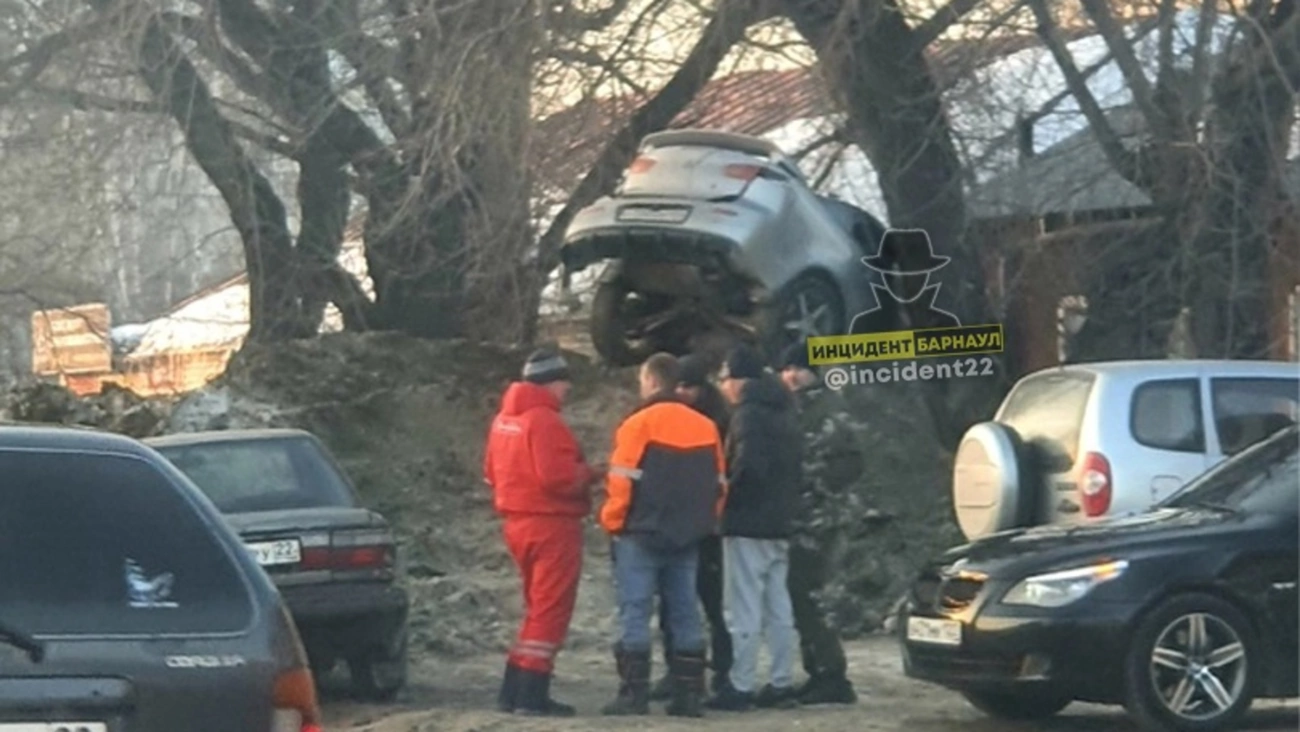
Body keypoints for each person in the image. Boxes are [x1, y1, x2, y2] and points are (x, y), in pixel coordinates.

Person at [600, 352, 727, 718]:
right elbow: (718, 486)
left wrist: (613, 523)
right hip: (687, 539)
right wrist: (701, 525)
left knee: (635, 612)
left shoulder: (637, 424)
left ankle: (633, 695)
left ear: (653, 382)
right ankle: (689, 695)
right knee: (686, 612)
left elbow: (621, 482)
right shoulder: (706, 427)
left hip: (639, 535)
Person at [484, 348, 604, 716]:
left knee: (536, 609)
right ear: (552, 382)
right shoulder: (546, 422)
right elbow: (558, 479)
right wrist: (593, 473)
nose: (567, 389)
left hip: (516, 523)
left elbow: (489, 471)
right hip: (552, 524)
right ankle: (532, 695)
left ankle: (514, 688)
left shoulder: (504, 419)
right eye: (564, 381)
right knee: (550, 611)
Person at [708, 344, 803, 712]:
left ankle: (740, 683)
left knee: (742, 608)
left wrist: (726, 498)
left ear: (737, 379)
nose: (724, 387)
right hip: (780, 523)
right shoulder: (785, 410)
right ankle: (781, 680)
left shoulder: (747, 415)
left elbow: (746, 469)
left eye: (725, 379)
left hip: (748, 524)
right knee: (779, 607)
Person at [777, 342, 863, 705]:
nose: (792, 376)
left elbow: (852, 464)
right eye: (787, 369)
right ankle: (820, 672)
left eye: (799, 369)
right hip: (803, 518)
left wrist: (820, 490)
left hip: (821, 521)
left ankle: (832, 676)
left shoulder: (828, 411)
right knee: (801, 596)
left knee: (810, 596)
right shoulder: (794, 409)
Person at [650, 353, 733, 700]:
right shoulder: (698, 415)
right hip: (683, 523)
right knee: (674, 603)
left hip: (707, 526)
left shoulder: (720, 421)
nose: (683, 392)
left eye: (689, 386)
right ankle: (679, 671)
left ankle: (723, 674)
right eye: (679, 385)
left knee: (714, 605)